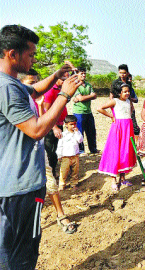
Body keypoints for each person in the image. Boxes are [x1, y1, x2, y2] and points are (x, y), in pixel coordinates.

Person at [0, 25, 81, 269]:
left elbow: (34, 89)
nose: (34, 59)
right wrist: (64, 95)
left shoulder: (10, 83)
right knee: (23, 251)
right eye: (31, 54)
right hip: (21, 187)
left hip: (9, 184)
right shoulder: (7, 87)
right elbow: (36, 129)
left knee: (7, 247)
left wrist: (56, 76)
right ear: (13, 54)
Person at [21, 70, 77, 235]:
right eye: (31, 83)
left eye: (36, 82)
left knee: (50, 180)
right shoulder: (16, 100)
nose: (35, 87)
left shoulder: (35, 100)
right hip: (20, 154)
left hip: (37, 149)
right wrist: (65, 95)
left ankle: (60, 214)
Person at [98, 83, 136, 191]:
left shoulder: (129, 101)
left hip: (128, 128)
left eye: (128, 91)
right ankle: (113, 180)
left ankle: (123, 178)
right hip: (118, 129)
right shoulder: (115, 101)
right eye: (124, 91)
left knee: (126, 152)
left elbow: (131, 111)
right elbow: (99, 108)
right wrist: (112, 116)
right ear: (119, 92)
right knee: (116, 152)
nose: (127, 93)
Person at [43, 72, 70, 178]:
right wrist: (54, 127)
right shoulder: (50, 90)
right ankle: (51, 173)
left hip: (59, 124)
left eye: (66, 79)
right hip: (51, 126)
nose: (64, 82)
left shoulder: (61, 89)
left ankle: (53, 170)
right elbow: (46, 110)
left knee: (57, 149)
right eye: (63, 79)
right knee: (50, 150)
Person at [72, 67, 99, 154]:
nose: (83, 75)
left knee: (91, 131)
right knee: (79, 132)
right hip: (79, 112)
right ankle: (80, 150)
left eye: (84, 73)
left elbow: (94, 96)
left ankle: (93, 149)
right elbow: (81, 98)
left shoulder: (88, 85)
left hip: (88, 111)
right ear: (77, 75)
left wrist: (83, 98)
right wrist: (89, 96)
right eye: (81, 73)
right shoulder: (76, 86)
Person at [110, 64, 140, 138]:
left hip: (128, 107)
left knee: (134, 127)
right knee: (120, 128)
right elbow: (111, 97)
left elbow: (130, 97)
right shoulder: (115, 83)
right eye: (120, 73)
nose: (122, 75)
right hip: (119, 108)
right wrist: (113, 113)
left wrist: (132, 106)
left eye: (124, 73)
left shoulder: (129, 83)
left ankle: (134, 146)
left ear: (127, 73)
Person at [57, 115, 84, 190]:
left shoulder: (76, 133)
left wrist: (77, 132)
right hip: (66, 157)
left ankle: (74, 183)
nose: (73, 126)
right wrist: (59, 155)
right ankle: (62, 185)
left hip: (75, 156)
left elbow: (80, 140)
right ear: (66, 124)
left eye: (75, 124)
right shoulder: (63, 135)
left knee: (75, 172)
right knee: (64, 172)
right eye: (71, 124)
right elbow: (60, 146)